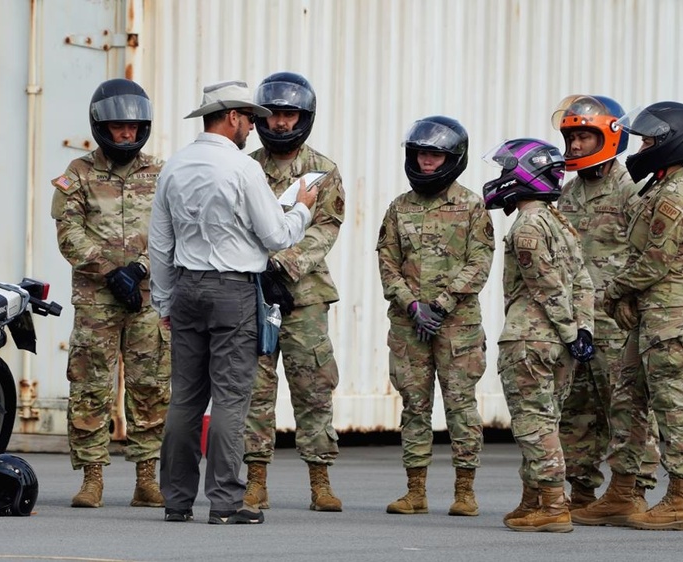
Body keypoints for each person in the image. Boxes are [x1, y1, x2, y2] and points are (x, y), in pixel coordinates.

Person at [148, 79, 317, 525]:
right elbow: (276, 236)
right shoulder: (243, 170)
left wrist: (163, 302)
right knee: (229, 397)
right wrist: (300, 207)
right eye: (250, 120)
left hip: (186, 287)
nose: (254, 129)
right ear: (234, 117)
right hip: (233, 290)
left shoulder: (174, 167)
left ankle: (176, 500)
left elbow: (159, 245)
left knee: (184, 397)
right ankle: (224, 502)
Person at [50, 78, 170, 509]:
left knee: (151, 388)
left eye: (134, 128)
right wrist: (110, 270)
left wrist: (140, 269)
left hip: (148, 300)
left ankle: (146, 479)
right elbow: (69, 233)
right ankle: (92, 478)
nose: (127, 134)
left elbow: (176, 232)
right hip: (97, 302)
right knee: (90, 387)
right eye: (119, 127)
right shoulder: (78, 174)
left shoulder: (162, 173)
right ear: (102, 125)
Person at [375, 116, 494, 517]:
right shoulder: (399, 207)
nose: (427, 162)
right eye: (422, 154)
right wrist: (411, 305)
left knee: (461, 406)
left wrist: (440, 304)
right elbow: (387, 262)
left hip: (456, 325)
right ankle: (416, 491)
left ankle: (465, 492)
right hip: (409, 325)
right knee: (414, 405)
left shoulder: (472, 205)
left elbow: (479, 262)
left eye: (436, 155)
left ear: (452, 158)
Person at [550, 94, 661, 520]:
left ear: (610, 137)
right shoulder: (568, 194)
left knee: (626, 406)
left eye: (585, 136)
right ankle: (580, 490)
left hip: (617, 322)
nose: (576, 145)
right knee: (575, 408)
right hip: (575, 322)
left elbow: (649, 253)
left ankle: (630, 490)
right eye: (572, 137)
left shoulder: (633, 188)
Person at [599, 101, 683, 531]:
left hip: (669, 314)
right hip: (648, 311)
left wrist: (613, 291)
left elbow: (654, 264)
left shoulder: (674, 198)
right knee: (628, 399)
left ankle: (680, 501)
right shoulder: (659, 188)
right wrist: (626, 298)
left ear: (671, 144)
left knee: (671, 405)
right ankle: (624, 494)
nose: (641, 146)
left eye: (649, 140)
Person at [241, 72, 346, 513]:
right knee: (253, 389)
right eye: (275, 115)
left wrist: (286, 265)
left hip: (304, 297)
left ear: (304, 118)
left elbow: (326, 227)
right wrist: (261, 270)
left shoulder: (323, 170)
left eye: (290, 115)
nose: (282, 123)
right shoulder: (243, 166)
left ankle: (320, 481)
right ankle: (255, 480)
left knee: (314, 387)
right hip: (253, 294)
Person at [482, 138, 595, 533]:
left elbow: (544, 283)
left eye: (507, 168)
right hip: (561, 342)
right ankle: (532, 500)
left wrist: (568, 328)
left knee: (534, 424)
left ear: (526, 172)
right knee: (547, 420)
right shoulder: (559, 221)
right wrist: (582, 330)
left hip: (531, 339)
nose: (501, 177)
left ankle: (552, 504)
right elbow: (583, 281)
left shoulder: (528, 225)